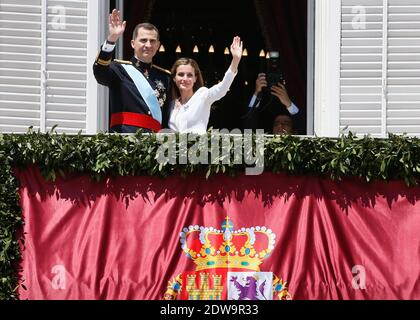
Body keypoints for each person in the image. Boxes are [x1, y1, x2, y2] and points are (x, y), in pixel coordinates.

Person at [93, 9, 172, 133]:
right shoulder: (118, 69)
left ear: (157, 45)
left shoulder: (165, 77)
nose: (148, 45)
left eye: (152, 41)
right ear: (133, 43)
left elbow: (166, 117)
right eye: (143, 40)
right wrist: (111, 39)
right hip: (124, 141)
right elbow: (100, 73)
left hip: (153, 143)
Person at [168, 37, 243, 134]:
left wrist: (235, 60)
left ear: (195, 78)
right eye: (181, 74)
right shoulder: (171, 104)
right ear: (174, 78)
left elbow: (222, 88)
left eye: (190, 75)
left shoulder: (202, 95)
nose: (185, 79)